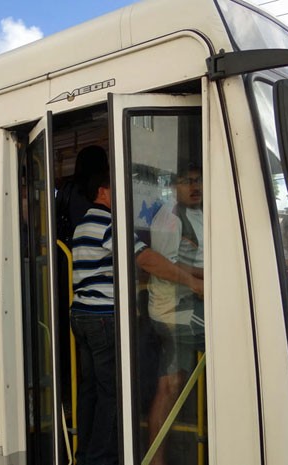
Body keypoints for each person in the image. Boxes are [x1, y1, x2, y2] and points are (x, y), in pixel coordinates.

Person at [70, 148, 200, 465]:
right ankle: (102, 458)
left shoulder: (82, 224)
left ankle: (85, 453)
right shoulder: (109, 223)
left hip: (82, 316)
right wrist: (193, 282)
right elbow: (144, 258)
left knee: (90, 392)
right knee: (113, 393)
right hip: (104, 319)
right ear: (103, 191)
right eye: (117, 188)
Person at [146, 163, 204, 465]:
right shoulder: (169, 219)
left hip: (195, 303)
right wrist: (205, 276)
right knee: (170, 386)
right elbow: (166, 266)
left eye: (198, 180)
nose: (193, 186)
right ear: (174, 186)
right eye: (186, 181)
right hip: (177, 310)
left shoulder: (203, 213)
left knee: (173, 384)